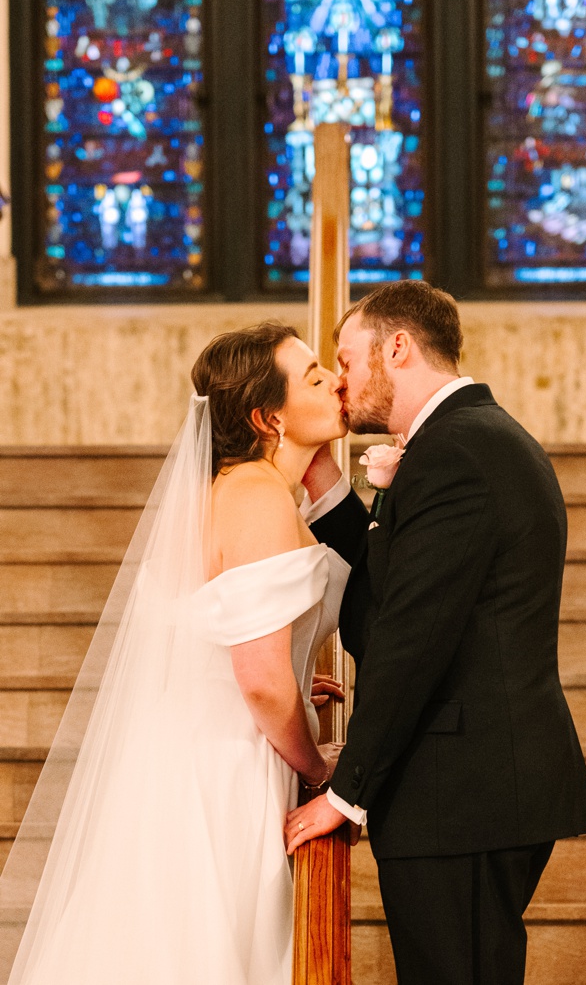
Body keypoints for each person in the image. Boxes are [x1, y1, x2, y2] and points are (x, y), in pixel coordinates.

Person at [0, 323, 352, 983]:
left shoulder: (230, 491)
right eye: (314, 377)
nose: (336, 381)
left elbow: (210, 638)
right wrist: (318, 767)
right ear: (268, 418)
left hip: (193, 750)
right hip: (223, 770)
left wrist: (294, 678)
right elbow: (260, 681)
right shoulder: (256, 495)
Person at [286, 280, 586, 985]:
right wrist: (329, 487)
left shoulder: (457, 452)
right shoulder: (466, 441)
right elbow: (392, 596)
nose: (340, 381)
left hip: (465, 793)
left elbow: (409, 641)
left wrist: (345, 791)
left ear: (397, 347)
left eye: (348, 359)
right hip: (465, 790)